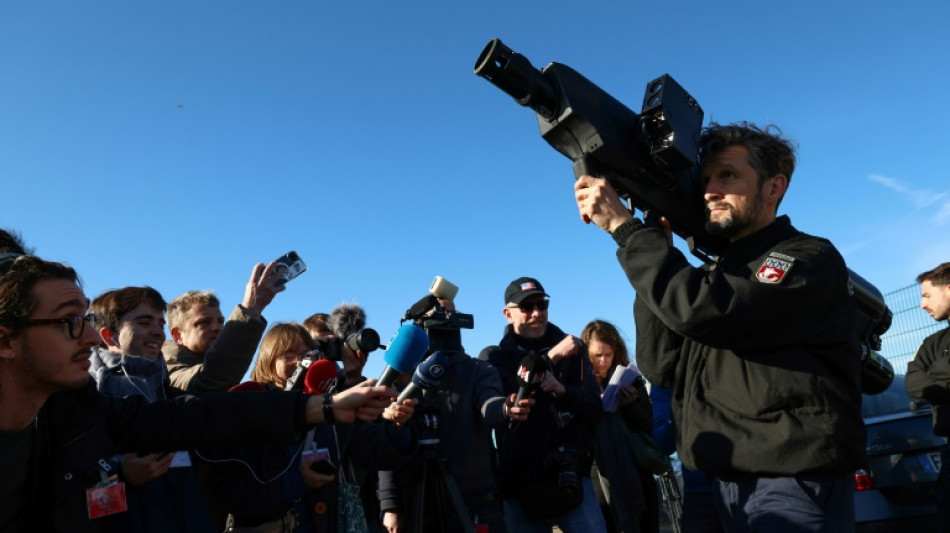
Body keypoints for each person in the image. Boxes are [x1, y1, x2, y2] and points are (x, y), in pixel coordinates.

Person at [0, 229, 398, 533]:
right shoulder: (99, 391)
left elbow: (198, 416)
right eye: (71, 322)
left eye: (86, 320)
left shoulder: (80, 408)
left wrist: (322, 407)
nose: (87, 336)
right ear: (5, 339)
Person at [574, 122, 865, 532]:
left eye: (728, 175)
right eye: (707, 178)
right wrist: (656, 249)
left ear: (773, 187)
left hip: (788, 479)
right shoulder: (715, 275)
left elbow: (706, 310)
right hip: (711, 483)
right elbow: (660, 365)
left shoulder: (804, 258)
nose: (710, 190)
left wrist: (628, 232)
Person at [199, 322, 417, 533]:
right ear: (268, 360)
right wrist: (297, 481)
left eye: (306, 355)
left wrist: (396, 426)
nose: (300, 362)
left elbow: (375, 452)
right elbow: (229, 492)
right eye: (289, 355)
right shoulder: (249, 405)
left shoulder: (328, 408)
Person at [378, 292, 532, 533]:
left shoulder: (478, 369)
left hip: (476, 500)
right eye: (438, 314)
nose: (445, 319)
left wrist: (505, 409)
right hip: (419, 499)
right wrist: (390, 506)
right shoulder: (403, 375)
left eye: (450, 313)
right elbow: (386, 441)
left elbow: (489, 404)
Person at [479, 277, 605, 532]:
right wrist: (551, 358)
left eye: (542, 304)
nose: (537, 313)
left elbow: (594, 409)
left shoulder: (574, 350)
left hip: (569, 478)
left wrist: (563, 391)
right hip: (519, 481)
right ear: (507, 314)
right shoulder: (493, 357)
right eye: (526, 307)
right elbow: (509, 405)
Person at [87, 286, 217, 533]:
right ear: (108, 335)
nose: (158, 333)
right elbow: (66, 485)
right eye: (145, 323)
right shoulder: (86, 398)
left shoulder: (173, 397)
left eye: (160, 323)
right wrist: (121, 475)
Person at [580, 319, 658, 533]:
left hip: (636, 468)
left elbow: (648, 426)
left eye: (608, 354)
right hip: (600, 472)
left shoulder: (630, 380)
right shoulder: (579, 385)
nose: (603, 361)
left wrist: (630, 405)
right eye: (597, 355)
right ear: (586, 354)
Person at [163, 262, 286, 395]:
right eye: (204, 322)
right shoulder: (164, 371)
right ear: (177, 335)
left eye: (221, 321)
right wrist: (251, 309)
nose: (217, 327)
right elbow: (207, 382)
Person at [905, 262, 950, 533]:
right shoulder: (932, 343)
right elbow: (912, 383)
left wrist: (937, 385)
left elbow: (925, 383)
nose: (922, 305)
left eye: (927, 295)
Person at [651, 385, 723, 533]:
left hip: (748, 479)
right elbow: (662, 441)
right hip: (700, 487)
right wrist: (687, 415)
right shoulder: (665, 381)